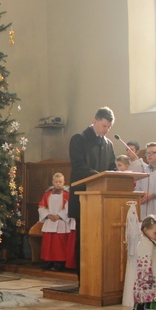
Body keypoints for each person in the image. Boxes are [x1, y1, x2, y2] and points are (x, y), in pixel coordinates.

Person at [69, 107, 117, 274]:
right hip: (84, 198)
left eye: (109, 127)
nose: (106, 130)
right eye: (104, 126)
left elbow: (112, 167)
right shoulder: (79, 139)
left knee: (101, 238)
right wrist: (100, 177)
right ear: (95, 121)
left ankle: (99, 276)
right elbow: (79, 166)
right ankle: (84, 277)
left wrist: (115, 176)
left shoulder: (108, 144)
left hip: (103, 200)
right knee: (84, 239)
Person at [37, 173, 76, 271]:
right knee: (48, 243)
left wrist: (59, 215)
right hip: (50, 220)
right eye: (56, 182)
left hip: (61, 222)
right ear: (52, 182)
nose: (58, 184)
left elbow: (68, 207)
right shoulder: (47, 194)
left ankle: (59, 262)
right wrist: (48, 215)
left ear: (64, 182)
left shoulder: (67, 194)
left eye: (60, 182)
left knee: (60, 244)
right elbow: (42, 207)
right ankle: (48, 261)